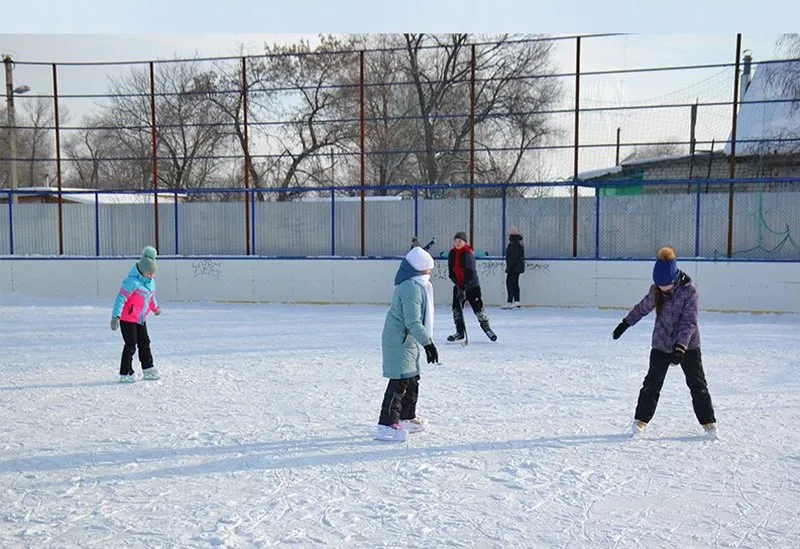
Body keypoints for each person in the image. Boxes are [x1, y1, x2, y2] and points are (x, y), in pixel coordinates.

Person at [613, 246, 717, 439]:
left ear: (675, 277)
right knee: (651, 384)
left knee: (697, 384)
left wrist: (681, 347)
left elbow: (689, 322)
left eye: (666, 284)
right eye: (659, 285)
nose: (663, 289)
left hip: (689, 345)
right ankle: (640, 421)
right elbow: (643, 307)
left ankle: (709, 424)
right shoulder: (657, 290)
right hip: (661, 343)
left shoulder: (690, 293)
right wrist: (626, 323)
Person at [375, 246, 439, 442]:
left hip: (407, 340)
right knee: (399, 381)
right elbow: (412, 321)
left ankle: (406, 417)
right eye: (428, 269)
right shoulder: (410, 288)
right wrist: (428, 343)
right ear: (420, 269)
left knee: (412, 380)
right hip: (399, 340)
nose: (430, 273)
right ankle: (386, 424)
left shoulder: (417, 285)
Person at [111, 246, 162, 383]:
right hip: (127, 319)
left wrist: (155, 308)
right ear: (143, 270)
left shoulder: (150, 283)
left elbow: (151, 298)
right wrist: (115, 316)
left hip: (140, 319)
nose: (151, 276)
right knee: (130, 345)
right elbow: (120, 298)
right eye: (149, 273)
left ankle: (148, 367)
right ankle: (125, 371)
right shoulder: (131, 282)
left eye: (153, 273)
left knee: (145, 343)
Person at [447, 232, 497, 342]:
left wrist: (464, 287)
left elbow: (470, 271)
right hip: (459, 286)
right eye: (455, 241)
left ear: (465, 242)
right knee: (457, 309)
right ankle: (459, 332)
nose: (457, 243)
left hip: (472, 286)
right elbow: (451, 270)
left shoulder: (467, 253)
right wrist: (457, 283)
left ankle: (487, 329)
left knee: (478, 309)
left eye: (460, 241)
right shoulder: (452, 253)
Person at [501, 226, 525, 309]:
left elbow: (513, 257)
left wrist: (509, 267)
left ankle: (510, 301)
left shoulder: (515, 243)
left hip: (514, 267)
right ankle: (516, 301)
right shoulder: (517, 242)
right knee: (514, 283)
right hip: (516, 267)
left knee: (510, 283)